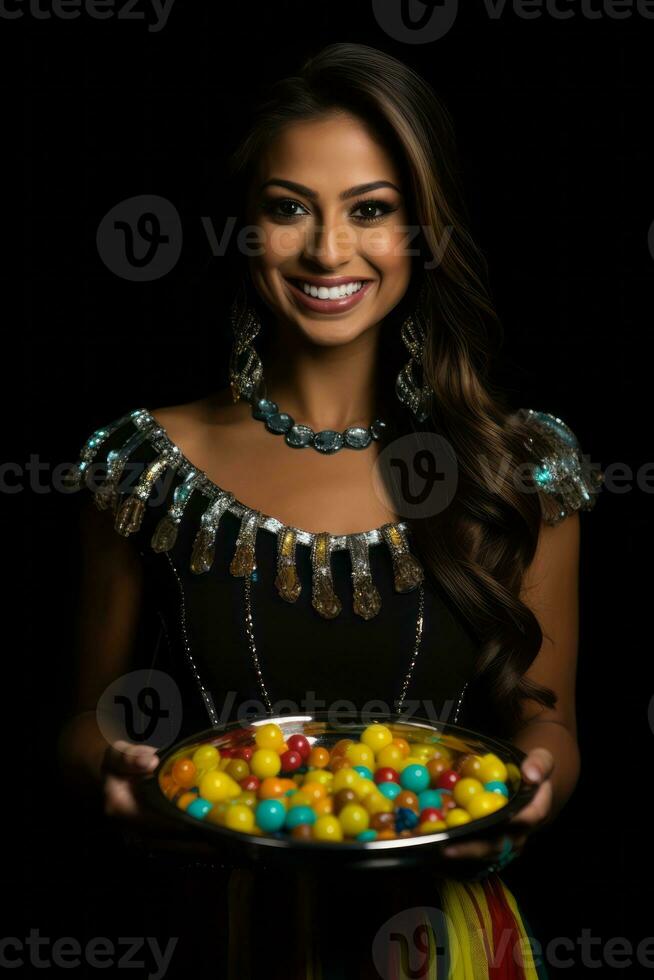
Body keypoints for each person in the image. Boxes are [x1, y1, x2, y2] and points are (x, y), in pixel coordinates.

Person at [58, 43, 603, 980]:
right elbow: (81, 720)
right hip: (219, 941)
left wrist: (539, 791)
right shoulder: (140, 466)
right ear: (244, 226)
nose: (327, 250)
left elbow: (548, 727)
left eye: (373, 211)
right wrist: (108, 772)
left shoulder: (521, 472)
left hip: (448, 947)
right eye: (288, 209)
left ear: (421, 232)